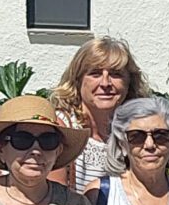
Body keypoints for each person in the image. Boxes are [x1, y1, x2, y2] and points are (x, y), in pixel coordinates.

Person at [46, 36, 144, 187]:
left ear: (129, 82)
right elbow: (54, 196)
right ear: (78, 80)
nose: (105, 83)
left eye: (115, 74)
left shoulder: (137, 132)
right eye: (95, 73)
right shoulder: (61, 129)